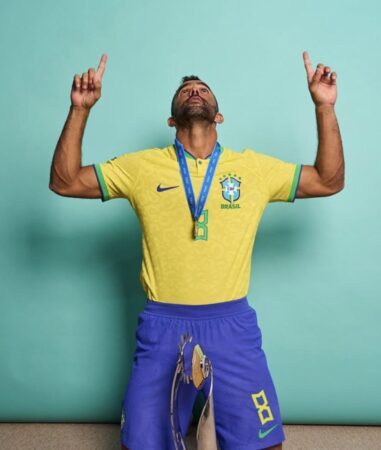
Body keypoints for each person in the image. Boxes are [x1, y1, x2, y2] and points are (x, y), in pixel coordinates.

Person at [49, 52, 344, 450]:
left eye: (202, 89)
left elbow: (328, 180)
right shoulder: (142, 167)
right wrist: (79, 110)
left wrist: (324, 106)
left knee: (264, 444)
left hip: (231, 325)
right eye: (186, 90)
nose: (194, 91)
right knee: (140, 444)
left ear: (218, 116)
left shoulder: (252, 170)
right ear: (171, 120)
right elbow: (65, 181)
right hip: (162, 324)